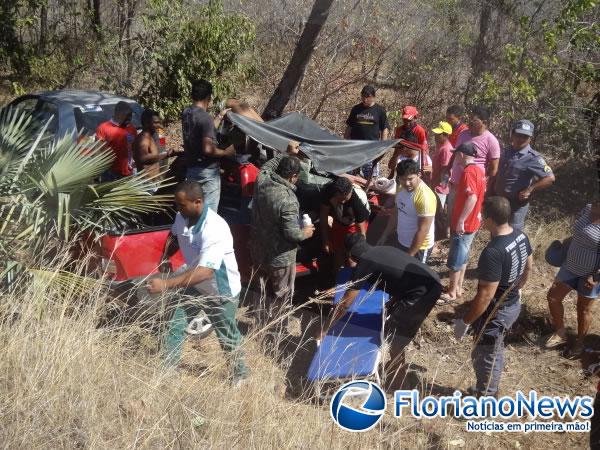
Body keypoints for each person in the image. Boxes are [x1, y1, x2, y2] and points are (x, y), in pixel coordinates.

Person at [147, 181, 248, 385]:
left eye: (182, 205)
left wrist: (166, 284)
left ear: (198, 202)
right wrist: (166, 257)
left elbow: (206, 271)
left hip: (219, 288)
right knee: (175, 321)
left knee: (226, 335)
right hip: (194, 281)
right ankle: (168, 371)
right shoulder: (182, 216)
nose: (178, 209)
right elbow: (174, 236)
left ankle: (240, 374)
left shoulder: (215, 228)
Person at [317, 233, 442, 389]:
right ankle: (396, 367)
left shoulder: (365, 263)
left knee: (395, 335)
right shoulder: (382, 249)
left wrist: (326, 328)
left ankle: (400, 381)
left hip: (424, 292)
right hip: (431, 280)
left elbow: (345, 304)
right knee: (394, 325)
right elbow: (399, 276)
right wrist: (394, 301)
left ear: (351, 254)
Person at [454, 196, 532, 398]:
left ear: (489, 219)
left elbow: (486, 295)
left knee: (488, 354)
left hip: (497, 311)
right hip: (512, 303)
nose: (479, 217)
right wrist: (518, 287)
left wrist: (465, 321)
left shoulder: (493, 252)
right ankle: (484, 389)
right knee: (491, 351)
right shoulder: (520, 236)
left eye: (481, 214)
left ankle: (486, 398)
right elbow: (529, 265)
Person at [250, 153, 315, 321]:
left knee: (261, 289)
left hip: (258, 249)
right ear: (293, 176)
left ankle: (260, 319)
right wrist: (306, 232)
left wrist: (288, 153)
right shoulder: (289, 200)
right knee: (282, 293)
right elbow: (292, 234)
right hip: (280, 258)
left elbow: (268, 166)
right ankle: (277, 326)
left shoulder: (262, 180)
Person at [544, 201, 600, 356]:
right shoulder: (587, 209)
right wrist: (563, 247)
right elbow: (578, 233)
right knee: (553, 297)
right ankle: (560, 332)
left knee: (583, 310)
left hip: (591, 276)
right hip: (569, 266)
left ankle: (580, 343)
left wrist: (595, 276)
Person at [438, 143, 486, 304]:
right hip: (473, 222)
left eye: (456, 153)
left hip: (465, 225)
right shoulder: (478, 171)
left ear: (462, 154)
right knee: (463, 257)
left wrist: (460, 221)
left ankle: (451, 293)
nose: (455, 156)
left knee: (455, 260)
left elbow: (472, 197)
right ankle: (457, 288)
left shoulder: (469, 172)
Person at [182, 79, 235, 212]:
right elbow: (207, 149)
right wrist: (225, 153)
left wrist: (219, 117)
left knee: (195, 210)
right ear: (209, 97)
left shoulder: (187, 113)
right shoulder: (204, 118)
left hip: (192, 169)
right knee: (209, 214)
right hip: (207, 172)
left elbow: (205, 129)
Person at [493, 119, 555, 231]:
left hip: (516, 205)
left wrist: (530, 189)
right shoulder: (506, 151)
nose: (521, 139)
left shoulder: (533, 158)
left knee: (513, 235)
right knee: (497, 230)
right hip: (500, 201)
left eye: (525, 137)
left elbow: (550, 178)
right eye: (518, 135)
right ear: (512, 134)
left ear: (530, 138)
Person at [378, 159, 437, 263]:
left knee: (414, 277)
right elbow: (396, 213)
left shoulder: (425, 197)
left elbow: (423, 230)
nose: (407, 183)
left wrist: (410, 255)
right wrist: (385, 235)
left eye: (410, 179)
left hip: (419, 248)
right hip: (401, 241)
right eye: (403, 179)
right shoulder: (401, 188)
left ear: (419, 174)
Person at [447, 105, 501, 217]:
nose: (470, 123)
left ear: (484, 122)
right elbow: (455, 153)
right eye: (469, 119)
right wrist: (448, 169)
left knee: (466, 216)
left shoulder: (491, 140)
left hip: (472, 187)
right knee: (451, 212)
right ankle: (449, 232)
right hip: (456, 182)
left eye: (474, 120)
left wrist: (485, 184)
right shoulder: (463, 134)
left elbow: (494, 168)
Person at [320, 176, 369, 271]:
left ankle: (353, 278)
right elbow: (323, 216)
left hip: (355, 225)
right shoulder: (328, 191)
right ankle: (338, 278)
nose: (342, 202)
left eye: (345, 199)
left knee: (351, 257)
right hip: (339, 222)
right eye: (339, 199)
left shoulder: (357, 201)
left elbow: (362, 233)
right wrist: (325, 240)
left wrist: (360, 251)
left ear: (350, 192)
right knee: (338, 253)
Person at [344, 85, 390, 180]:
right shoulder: (356, 109)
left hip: (371, 149)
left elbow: (384, 129)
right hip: (354, 147)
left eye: (367, 97)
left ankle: (369, 192)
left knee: (370, 177)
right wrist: (345, 142)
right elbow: (349, 126)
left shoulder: (379, 111)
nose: (365, 99)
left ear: (373, 97)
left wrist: (382, 146)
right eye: (363, 96)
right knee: (350, 175)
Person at [95, 101, 137, 181]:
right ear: (118, 114)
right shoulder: (103, 128)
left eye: (131, 115)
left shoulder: (132, 129)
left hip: (129, 174)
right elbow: (98, 153)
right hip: (110, 175)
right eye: (127, 115)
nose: (130, 118)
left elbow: (134, 149)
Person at [133, 109, 179, 180]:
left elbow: (162, 145)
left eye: (159, 122)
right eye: (156, 122)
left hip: (159, 166)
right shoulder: (143, 139)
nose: (159, 125)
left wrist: (167, 154)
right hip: (147, 179)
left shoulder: (160, 131)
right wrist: (165, 154)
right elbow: (143, 158)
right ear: (146, 123)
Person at [388, 105, 429, 176]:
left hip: (416, 158)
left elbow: (424, 149)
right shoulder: (399, 130)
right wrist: (392, 172)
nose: (407, 123)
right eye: (405, 120)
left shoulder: (420, 131)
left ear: (415, 118)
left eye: (409, 120)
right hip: (402, 158)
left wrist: (423, 166)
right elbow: (397, 149)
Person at [430, 121, 454, 207]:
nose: (435, 136)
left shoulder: (446, 149)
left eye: (438, 134)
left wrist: (435, 186)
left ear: (446, 135)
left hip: (439, 189)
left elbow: (445, 171)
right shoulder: (440, 146)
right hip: (435, 186)